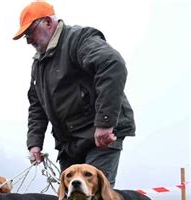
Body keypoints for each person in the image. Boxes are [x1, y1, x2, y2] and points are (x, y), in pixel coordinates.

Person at [13, 2, 136, 186]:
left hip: (99, 137)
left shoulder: (79, 40)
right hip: (69, 143)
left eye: (30, 32)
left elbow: (112, 65)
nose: (29, 40)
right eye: (25, 36)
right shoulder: (38, 64)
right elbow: (37, 105)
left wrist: (105, 122)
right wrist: (34, 142)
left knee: (94, 199)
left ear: (47, 22)